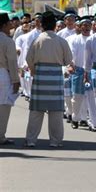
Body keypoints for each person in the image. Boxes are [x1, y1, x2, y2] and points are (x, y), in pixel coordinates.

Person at [24, 11, 73, 147]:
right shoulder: (61, 41)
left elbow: (28, 59)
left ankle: (31, 140)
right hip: (56, 79)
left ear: (43, 25)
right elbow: (68, 60)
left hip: (40, 78)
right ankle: (55, 141)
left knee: (36, 111)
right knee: (56, 112)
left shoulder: (37, 40)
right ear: (54, 25)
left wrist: (34, 70)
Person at [67, 16, 96, 130]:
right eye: (84, 25)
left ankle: (92, 121)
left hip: (91, 72)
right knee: (77, 97)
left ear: (91, 27)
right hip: (78, 71)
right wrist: (70, 66)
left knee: (91, 97)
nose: (86, 27)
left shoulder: (94, 39)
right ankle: (75, 118)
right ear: (80, 27)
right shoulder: (75, 40)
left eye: (88, 25)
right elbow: (71, 55)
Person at [0, 13, 20, 145]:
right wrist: (15, 80)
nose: (11, 26)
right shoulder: (8, 41)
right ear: (3, 25)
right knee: (4, 106)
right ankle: (1, 135)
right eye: (9, 24)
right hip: (3, 74)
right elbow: (12, 62)